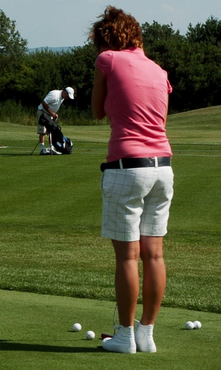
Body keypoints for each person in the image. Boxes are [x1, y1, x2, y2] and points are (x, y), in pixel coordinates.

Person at [90, 6, 173, 354]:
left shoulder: (107, 60)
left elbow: (96, 110)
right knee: (153, 255)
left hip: (127, 168)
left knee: (127, 257)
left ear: (105, 38)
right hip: (163, 168)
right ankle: (146, 334)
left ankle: (125, 335)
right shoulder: (158, 69)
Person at [36, 87, 75, 154]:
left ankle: (51, 148)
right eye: (68, 96)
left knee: (52, 130)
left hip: (50, 114)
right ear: (65, 93)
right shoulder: (54, 94)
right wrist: (51, 113)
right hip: (42, 113)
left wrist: (54, 114)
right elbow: (44, 103)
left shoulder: (62, 98)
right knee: (42, 131)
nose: (68, 98)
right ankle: (42, 149)